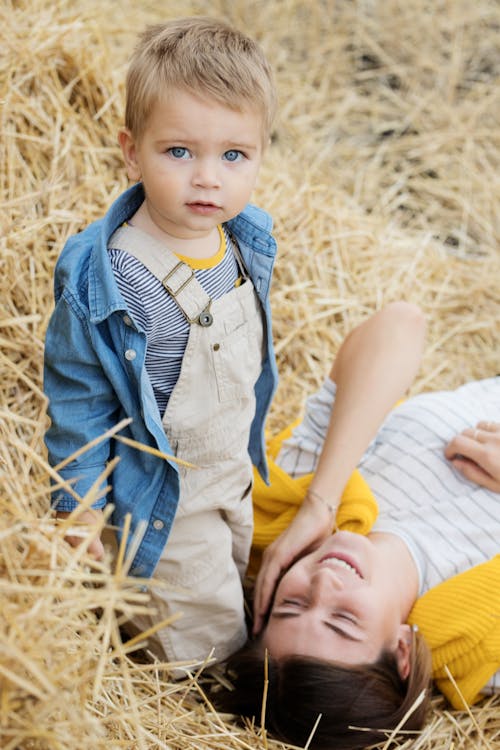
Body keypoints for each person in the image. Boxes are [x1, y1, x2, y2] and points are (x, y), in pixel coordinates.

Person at [43, 15, 425, 667]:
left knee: (237, 585)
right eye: (179, 152)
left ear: (260, 155)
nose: (207, 179)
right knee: (205, 644)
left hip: (232, 471)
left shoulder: (244, 238)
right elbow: (79, 403)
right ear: (130, 151)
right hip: (167, 492)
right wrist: (78, 509)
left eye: (233, 156)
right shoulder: (111, 275)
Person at [216, 371, 500, 749]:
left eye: (292, 604)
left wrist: (320, 501)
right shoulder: (479, 644)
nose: (322, 584)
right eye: (343, 620)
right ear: (401, 651)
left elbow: (400, 324)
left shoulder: (303, 497)